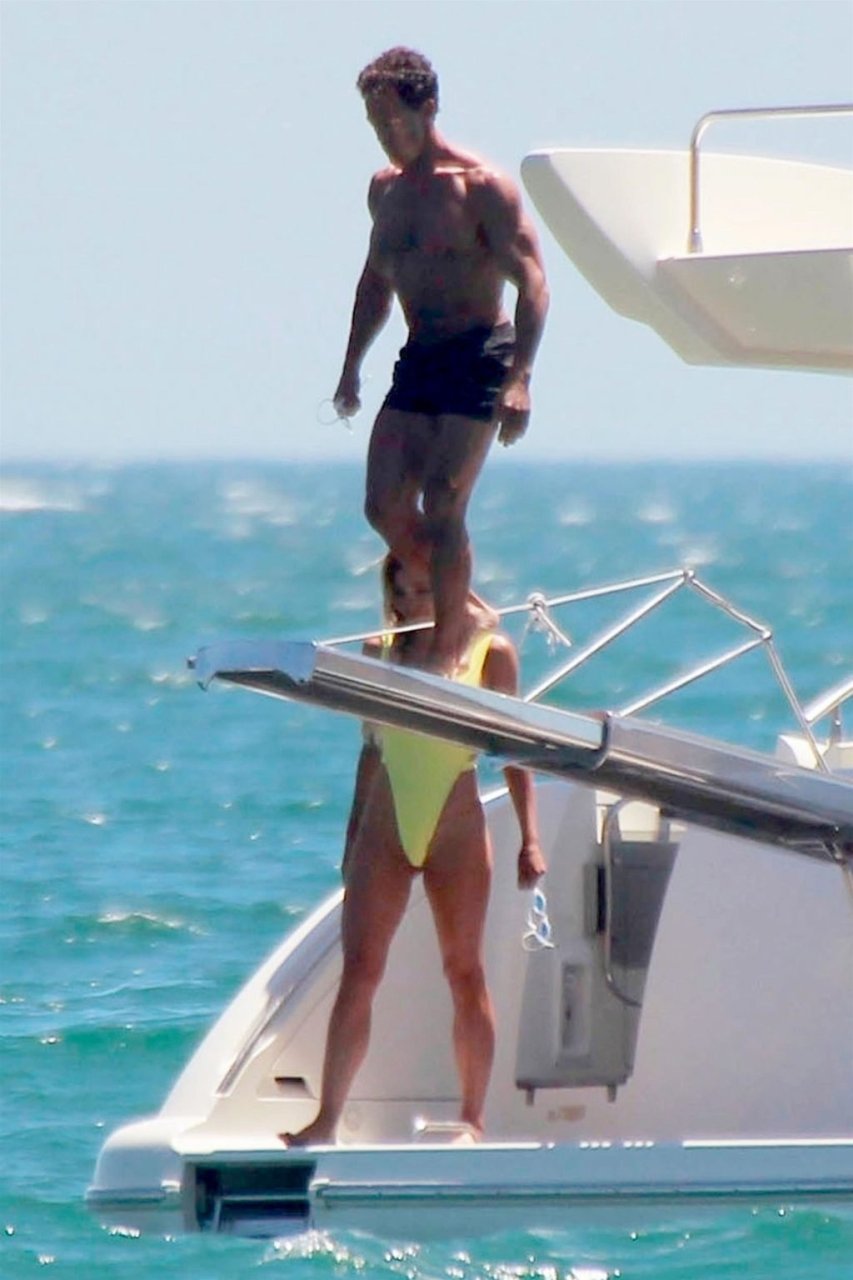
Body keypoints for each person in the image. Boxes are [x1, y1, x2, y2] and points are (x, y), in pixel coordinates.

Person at [281, 555, 546, 1146]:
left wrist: (531, 836)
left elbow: (515, 750)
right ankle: (325, 1120)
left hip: (455, 827)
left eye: (425, 590)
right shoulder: (380, 652)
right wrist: (352, 836)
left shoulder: (490, 652)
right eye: (401, 592)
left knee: (464, 971)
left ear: (451, 587)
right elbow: (371, 750)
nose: (412, 603)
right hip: (386, 824)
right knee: (360, 970)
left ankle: (473, 1119)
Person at [332, 47, 549, 673]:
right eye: (375, 125)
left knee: (444, 500)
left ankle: (449, 649)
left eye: (394, 122)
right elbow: (375, 283)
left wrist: (520, 379)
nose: (385, 136)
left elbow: (534, 282)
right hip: (420, 355)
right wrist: (350, 367)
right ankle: (467, 607)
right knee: (382, 505)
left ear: (428, 109)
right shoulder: (386, 191)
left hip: (479, 354)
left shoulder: (481, 187)